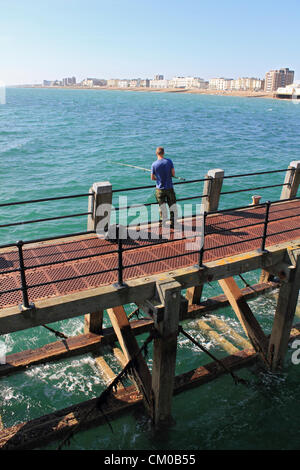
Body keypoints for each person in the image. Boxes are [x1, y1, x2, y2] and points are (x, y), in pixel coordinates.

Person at [151, 147, 177, 228]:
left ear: (156, 153)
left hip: (159, 189)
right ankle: (173, 223)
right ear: (163, 153)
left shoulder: (154, 164)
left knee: (162, 207)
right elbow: (173, 174)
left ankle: (163, 222)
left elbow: (152, 178)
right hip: (169, 188)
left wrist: (158, 178)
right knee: (172, 206)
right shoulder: (169, 161)